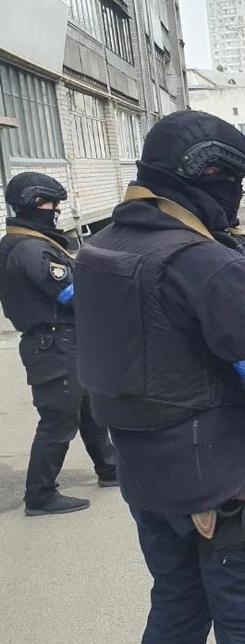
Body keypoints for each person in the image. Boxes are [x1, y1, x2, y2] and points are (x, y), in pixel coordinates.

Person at [73, 110, 245, 643]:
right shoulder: (208, 264)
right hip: (226, 486)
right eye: (234, 182)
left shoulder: (99, 249)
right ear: (210, 176)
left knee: (176, 610)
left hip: (146, 479)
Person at [0, 172, 117, 516]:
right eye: (52, 204)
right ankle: (40, 494)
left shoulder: (23, 242)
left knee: (89, 409)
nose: (55, 211)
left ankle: (109, 468)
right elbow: (70, 294)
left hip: (63, 341)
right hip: (54, 344)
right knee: (58, 420)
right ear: (36, 203)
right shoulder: (31, 249)